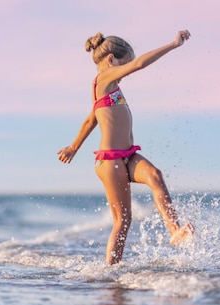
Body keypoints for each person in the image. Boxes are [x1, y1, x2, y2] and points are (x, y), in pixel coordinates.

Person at [58, 30, 195, 265]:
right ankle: (110, 273)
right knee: (122, 221)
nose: (126, 72)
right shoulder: (103, 79)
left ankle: (174, 231)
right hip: (110, 162)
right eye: (125, 65)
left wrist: (73, 147)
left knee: (155, 176)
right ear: (111, 60)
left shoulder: (108, 87)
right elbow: (141, 63)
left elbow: (91, 120)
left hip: (128, 156)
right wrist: (173, 44)